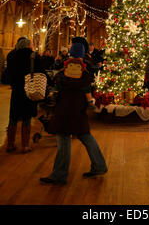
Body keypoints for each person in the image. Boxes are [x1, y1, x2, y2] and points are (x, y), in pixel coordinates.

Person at [40, 42, 107, 185]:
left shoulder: (64, 70)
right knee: (86, 137)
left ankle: (59, 174)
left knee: (63, 140)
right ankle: (99, 166)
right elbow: (88, 94)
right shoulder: (86, 71)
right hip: (78, 109)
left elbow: (56, 86)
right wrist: (91, 104)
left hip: (64, 108)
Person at [6, 38, 44, 153]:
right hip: (29, 89)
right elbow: (41, 72)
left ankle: (10, 144)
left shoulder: (11, 55)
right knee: (26, 118)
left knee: (13, 118)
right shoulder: (33, 56)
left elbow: (8, 72)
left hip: (16, 90)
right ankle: (25, 145)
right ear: (29, 45)